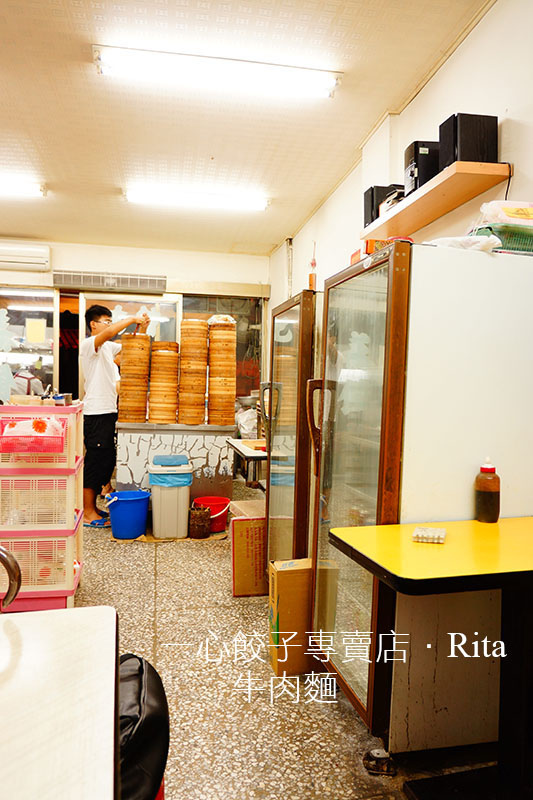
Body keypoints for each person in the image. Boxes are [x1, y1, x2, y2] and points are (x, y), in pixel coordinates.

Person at [80, 304, 150, 527]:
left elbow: (131, 347)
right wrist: (131, 318)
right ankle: (88, 512)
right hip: (96, 413)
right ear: (93, 324)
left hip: (108, 411)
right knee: (95, 461)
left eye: (111, 322)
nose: (109, 326)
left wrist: (143, 328)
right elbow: (110, 334)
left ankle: (94, 508)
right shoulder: (89, 345)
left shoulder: (107, 349)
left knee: (106, 460)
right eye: (106, 321)